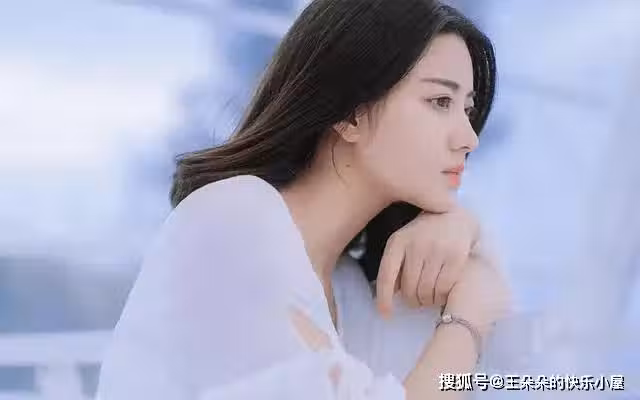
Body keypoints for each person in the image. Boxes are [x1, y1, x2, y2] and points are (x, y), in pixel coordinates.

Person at [97, 0, 511, 399]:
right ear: (350, 113)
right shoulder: (234, 217)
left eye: (467, 109)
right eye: (440, 102)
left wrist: (465, 230)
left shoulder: (352, 288)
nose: (468, 138)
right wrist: (466, 321)